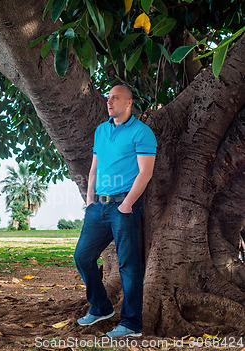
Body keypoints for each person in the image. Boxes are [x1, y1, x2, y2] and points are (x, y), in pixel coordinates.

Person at [74, 85, 157, 338]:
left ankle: (131, 324)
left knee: (129, 266)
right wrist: (90, 200)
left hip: (124, 207)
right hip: (98, 206)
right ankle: (101, 307)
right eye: (108, 98)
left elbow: (146, 172)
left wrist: (127, 204)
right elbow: (94, 168)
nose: (109, 102)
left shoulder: (142, 133)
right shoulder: (101, 130)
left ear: (129, 103)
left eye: (115, 98)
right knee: (82, 257)